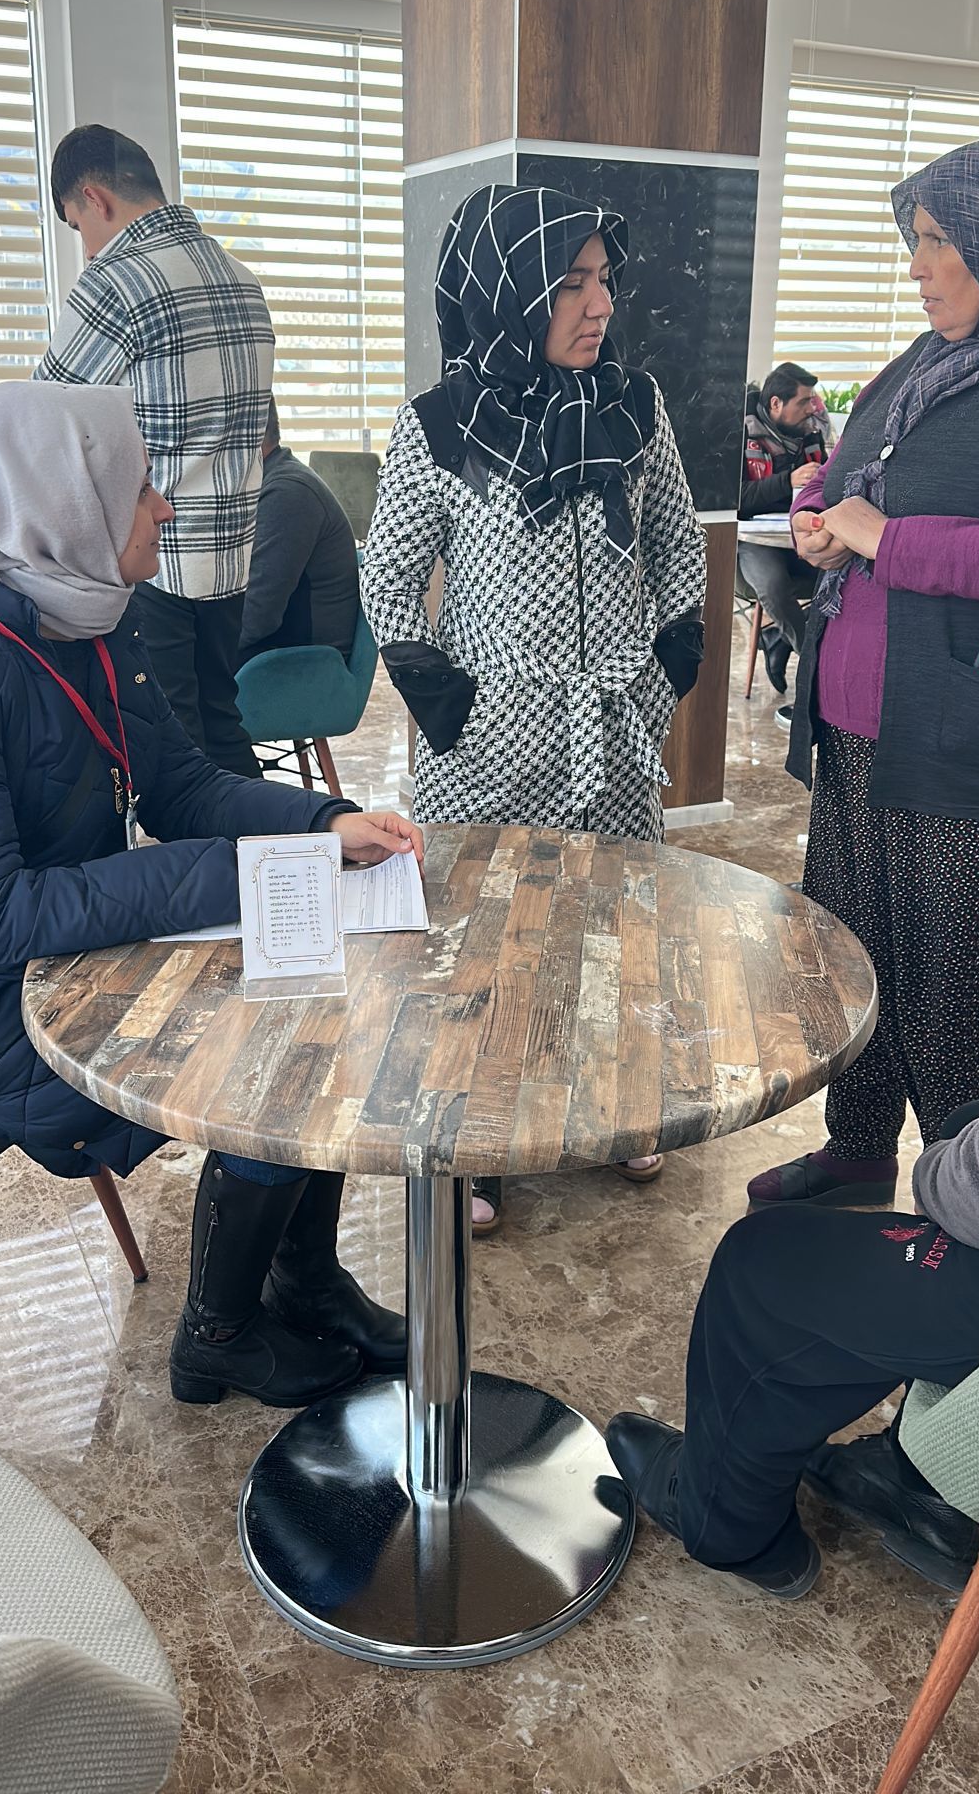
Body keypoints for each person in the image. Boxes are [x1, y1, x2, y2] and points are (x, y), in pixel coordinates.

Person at [0, 383, 421, 1409]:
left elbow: (183, 787)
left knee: (319, 994)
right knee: (272, 1050)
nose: (164, 508)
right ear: (63, 508)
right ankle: (218, 1334)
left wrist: (323, 822)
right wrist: (225, 874)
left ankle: (302, 1279)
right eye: (141, 488)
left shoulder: (86, 617)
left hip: (72, 955)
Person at [361, 183, 707, 1235]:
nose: (598, 304)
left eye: (603, 280)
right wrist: (454, 708)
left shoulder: (636, 406)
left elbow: (679, 546)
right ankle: (477, 1138)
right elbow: (389, 581)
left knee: (615, 928)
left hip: (613, 734)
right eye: (570, 283)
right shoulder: (438, 424)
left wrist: (662, 675)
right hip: (490, 742)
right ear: (508, 292)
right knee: (485, 944)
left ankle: (614, 1104)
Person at [749, 126, 979, 1212]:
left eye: (943, 241)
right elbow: (836, 477)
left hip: (974, 752)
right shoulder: (921, 364)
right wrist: (817, 517)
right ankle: (856, 1150)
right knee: (855, 949)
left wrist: (890, 538)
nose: (919, 266)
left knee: (961, 986)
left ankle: (965, 1203)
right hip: (859, 732)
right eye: (916, 240)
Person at [606, 842, 979, 1600]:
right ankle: (921, 1484)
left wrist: (938, 1176)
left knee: (761, 1265)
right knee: (959, 1139)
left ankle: (724, 1526)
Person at [35, 124, 272, 779]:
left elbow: (42, 419)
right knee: (221, 728)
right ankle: (273, 846)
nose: (86, 249)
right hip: (231, 556)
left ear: (95, 198)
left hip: (154, 556)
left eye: (77, 227)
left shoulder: (117, 282)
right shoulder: (240, 278)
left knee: (173, 759)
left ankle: (242, 850)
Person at [238, 398, 360, 664]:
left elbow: (255, 618)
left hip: (300, 666)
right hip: (274, 651)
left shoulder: (288, 493)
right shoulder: (268, 483)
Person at [737, 362, 826, 717]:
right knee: (774, 586)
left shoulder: (812, 433)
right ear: (776, 403)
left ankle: (776, 637)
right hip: (753, 540)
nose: (812, 408)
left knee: (846, 576)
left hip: (799, 534)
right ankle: (817, 671)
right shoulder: (740, 433)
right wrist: (788, 481)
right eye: (804, 401)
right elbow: (737, 499)